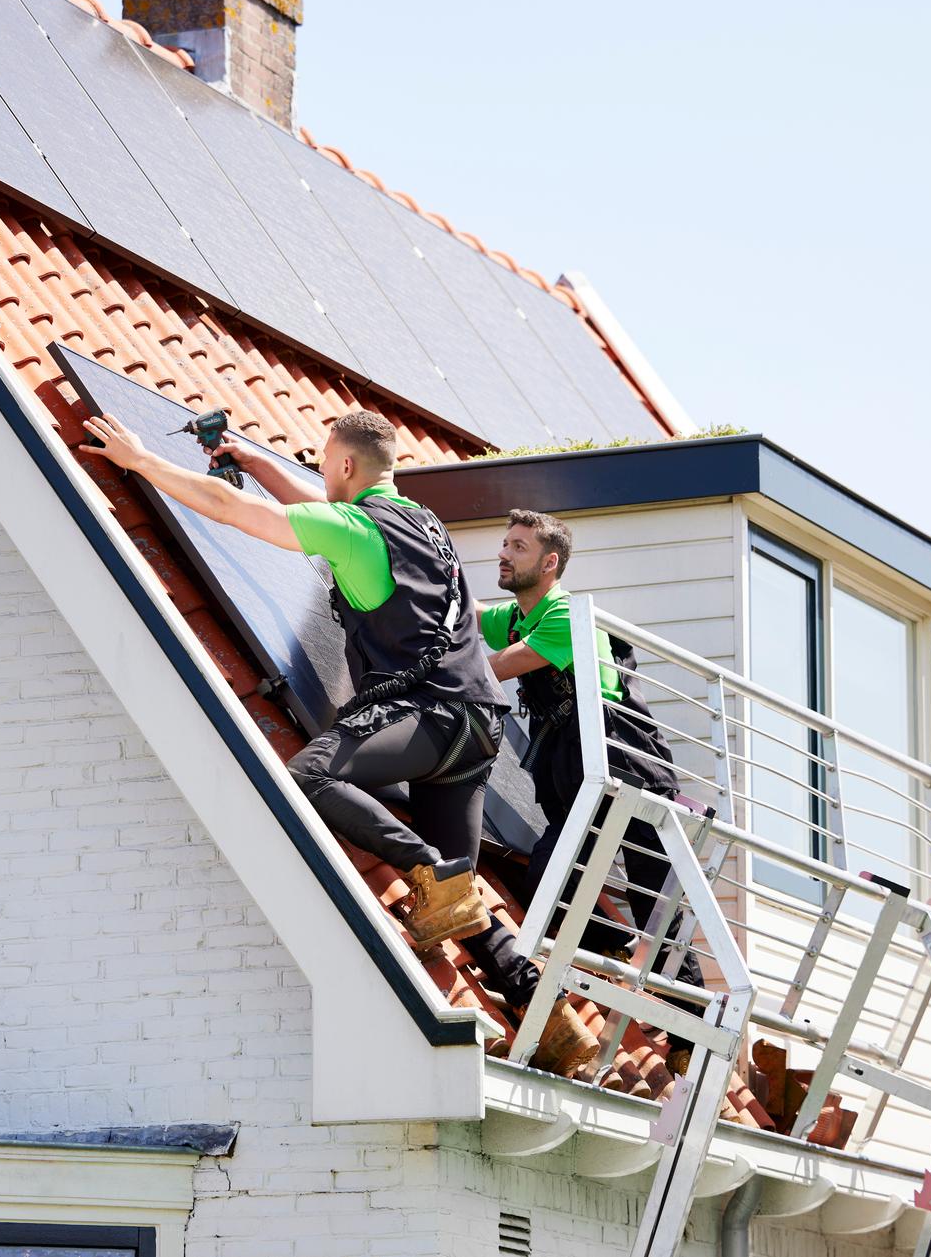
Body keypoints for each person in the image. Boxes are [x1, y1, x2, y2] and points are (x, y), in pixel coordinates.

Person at [79, 410, 599, 1077]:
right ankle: (553, 1021)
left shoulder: (356, 528)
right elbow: (329, 526)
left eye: (325, 462)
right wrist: (264, 463)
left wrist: (143, 460)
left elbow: (233, 510)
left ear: (346, 466)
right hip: (478, 729)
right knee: (459, 900)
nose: (320, 472)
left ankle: (432, 871)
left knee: (311, 775)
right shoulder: (424, 526)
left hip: (426, 715)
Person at [479, 509, 709, 1073]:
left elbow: (492, 670)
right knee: (562, 880)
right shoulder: (516, 617)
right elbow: (469, 614)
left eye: (518, 547)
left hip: (627, 770)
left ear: (550, 562)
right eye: (504, 544)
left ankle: (693, 1032)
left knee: (656, 908)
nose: (503, 555)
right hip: (580, 781)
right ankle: (610, 955)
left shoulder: (561, 616)